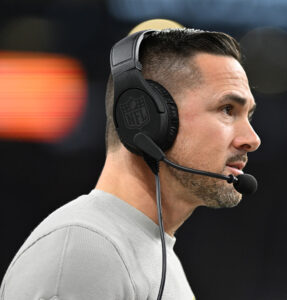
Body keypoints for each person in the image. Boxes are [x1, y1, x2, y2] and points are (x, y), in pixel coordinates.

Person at [0, 28, 260, 300]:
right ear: (147, 121)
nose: (252, 139)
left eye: (248, 115)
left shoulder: (153, 256)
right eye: (228, 109)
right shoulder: (84, 249)